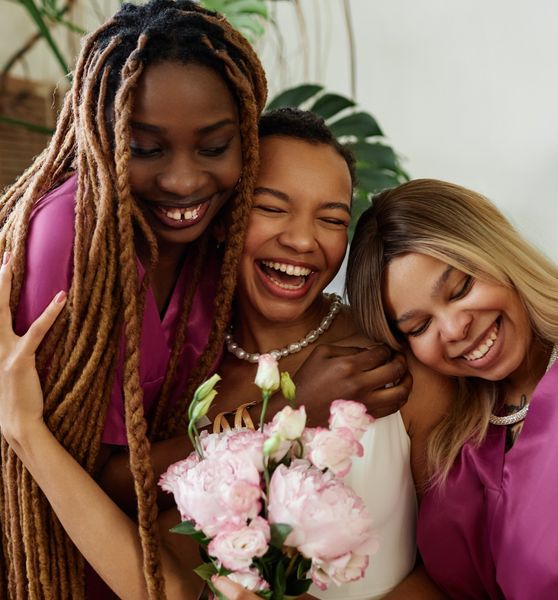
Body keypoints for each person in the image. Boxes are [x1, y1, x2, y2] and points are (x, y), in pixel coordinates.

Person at [0, 113, 448, 599]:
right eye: (272, 208)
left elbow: (463, 573)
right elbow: (145, 550)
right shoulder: (185, 372)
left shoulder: (394, 358)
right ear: (221, 221)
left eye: (332, 219)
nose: (302, 240)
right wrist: (285, 415)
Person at [0, 1, 267, 597]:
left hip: (155, 550)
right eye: (146, 149)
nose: (183, 181)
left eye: (213, 146)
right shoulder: (71, 239)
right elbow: (78, 474)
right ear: (104, 133)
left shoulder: (218, 233)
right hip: (56, 558)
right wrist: (274, 417)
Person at [346, 179, 558, 599]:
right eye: (419, 326)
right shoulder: (461, 456)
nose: (454, 328)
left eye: (460, 288)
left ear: (498, 250)